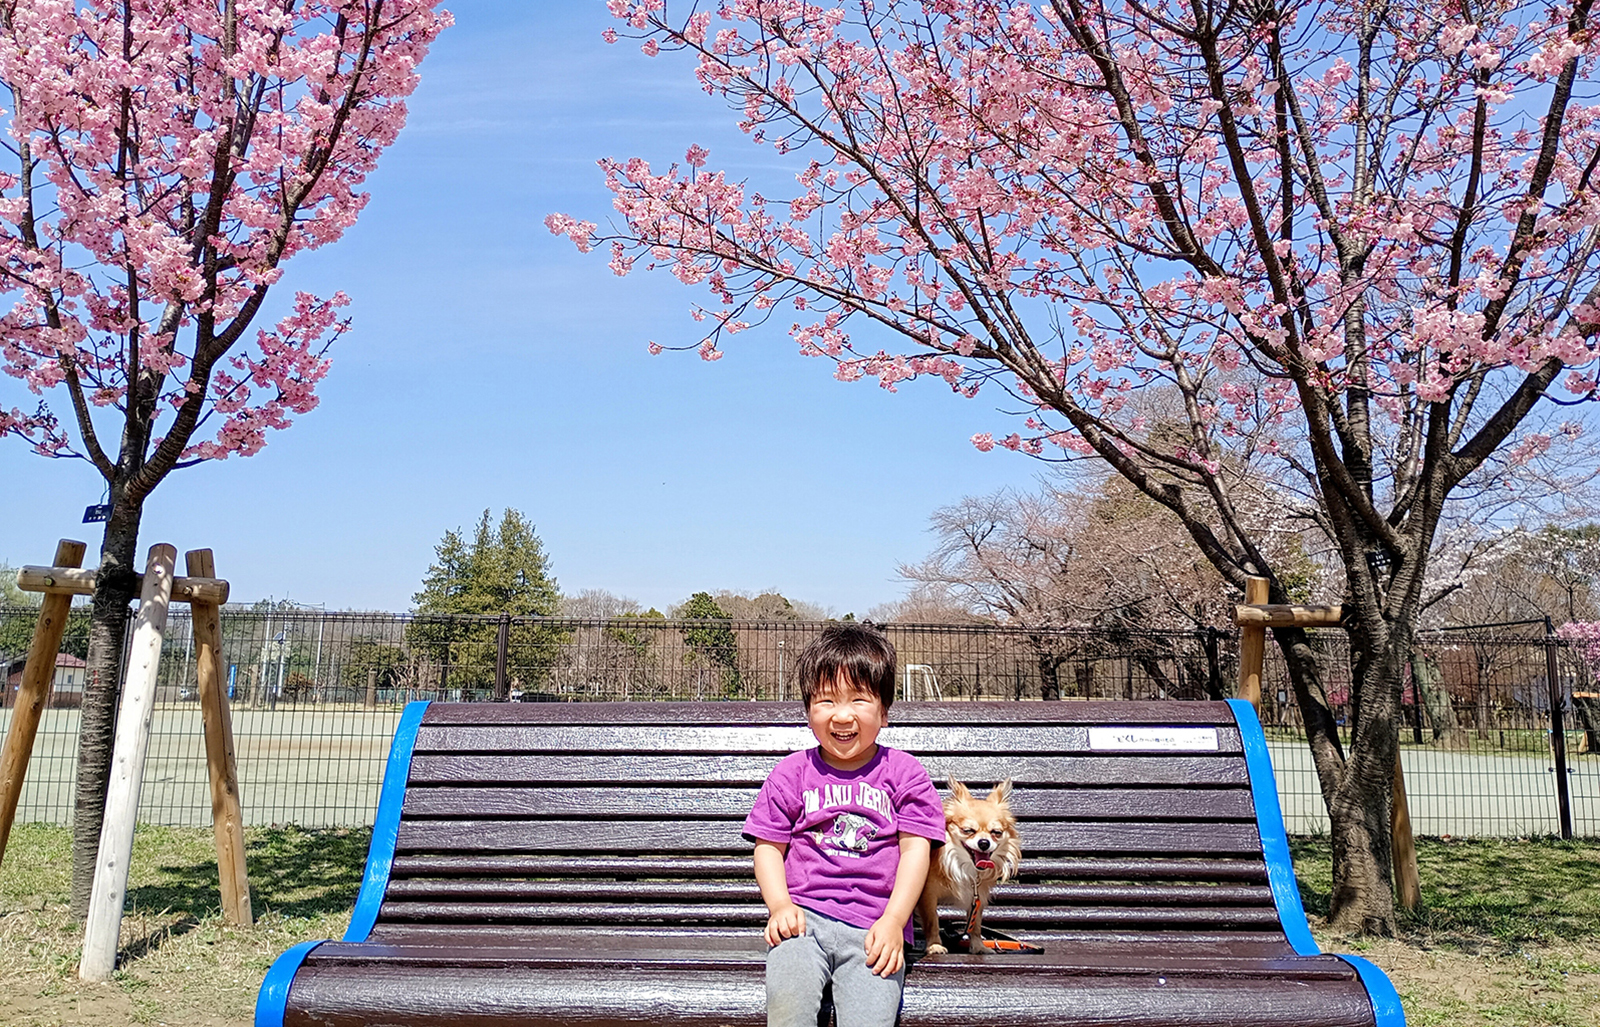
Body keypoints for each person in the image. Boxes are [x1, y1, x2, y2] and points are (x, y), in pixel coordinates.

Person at [742, 622, 946, 1027]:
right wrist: (780, 905)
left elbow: (915, 851)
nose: (842, 714)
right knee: (788, 1010)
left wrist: (894, 920)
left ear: (884, 712)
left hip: (876, 929)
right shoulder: (791, 773)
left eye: (858, 699)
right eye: (826, 700)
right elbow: (768, 847)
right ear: (808, 712)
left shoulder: (905, 773)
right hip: (803, 923)